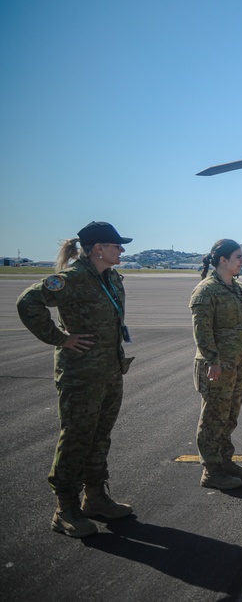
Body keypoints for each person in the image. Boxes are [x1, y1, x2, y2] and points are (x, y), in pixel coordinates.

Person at [16, 221, 136, 538]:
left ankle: (95, 498)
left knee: (99, 436)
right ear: (98, 249)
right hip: (81, 373)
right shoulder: (72, 279)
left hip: (109, 370)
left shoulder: (109, 277)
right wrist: (59, 338)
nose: (121, 250)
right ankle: (64, 509)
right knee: (76, 437)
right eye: (116, 245)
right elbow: (28, 302)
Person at [189, 239, 242, 490]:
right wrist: (212, 361)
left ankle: (225, 460)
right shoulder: (206, 291)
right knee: (214, 416)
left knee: (230, 414)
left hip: (237, 361)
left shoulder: (236, 288)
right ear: (223, 260)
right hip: (217, 364)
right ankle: (211, 471)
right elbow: (202, 332)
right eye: (238, 257)